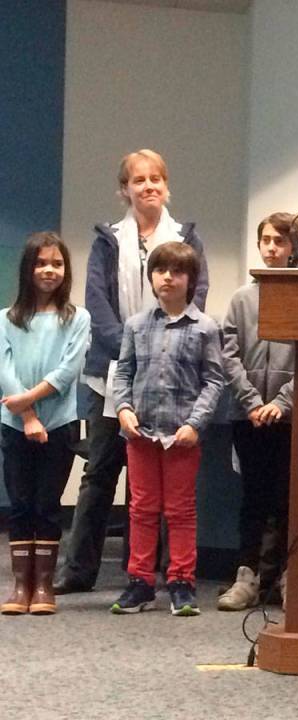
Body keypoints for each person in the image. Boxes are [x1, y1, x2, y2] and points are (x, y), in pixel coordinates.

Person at [56, 149, 210, 595]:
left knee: (157, 482)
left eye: (156, 178)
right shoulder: (108, 241)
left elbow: (197, 295)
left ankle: (142, 573)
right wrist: (133, 351)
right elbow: (96, 302)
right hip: (112, 375)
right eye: (139, 180)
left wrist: (158, 349)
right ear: (124, 189)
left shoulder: (186, 239)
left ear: (166, 185)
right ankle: (78, 571)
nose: (148, 186)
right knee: (100, 472)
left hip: (171, 379)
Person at [110, 242, 223, 615]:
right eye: (160, 271)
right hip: (141, 433)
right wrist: (123, 409)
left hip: (181, 437)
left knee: (180, 510)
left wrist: (195, 423)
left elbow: (214, 381)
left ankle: (181, 582)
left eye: (177, 272)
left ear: (191, 279)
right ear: (151, 277)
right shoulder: (136, 325)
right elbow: (123, 372)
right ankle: (140, 582)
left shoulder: (205, 328)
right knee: (141, 509)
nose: (168, 278)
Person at [0, 233, 90, 615]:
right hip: (14, 425)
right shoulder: (6, 319)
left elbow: (67, 371)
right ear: (28, 268)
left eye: (56, 263)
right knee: (21, 504)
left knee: (47, 505)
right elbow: (4, 370)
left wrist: (30, 402)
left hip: (60, 424)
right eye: (40, 263)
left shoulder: (78, 318)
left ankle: (43, 586)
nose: (49, 270)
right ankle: (21, 586)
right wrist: (26, 415)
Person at [217, 213, 295, 611]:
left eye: (280, 241)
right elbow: (228, 355)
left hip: (289, 417)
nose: (272, 248)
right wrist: (251, 402)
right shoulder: (241, 299)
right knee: (253, 499)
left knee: (287, 499)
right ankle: (247, 577)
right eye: (266, 240)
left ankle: (286, 577)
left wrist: (281, 402)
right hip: (247, 416)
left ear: (293, 248)